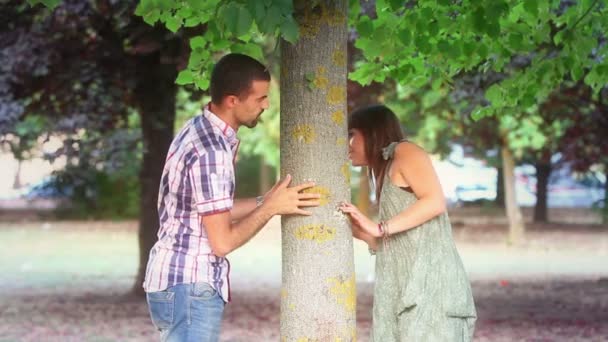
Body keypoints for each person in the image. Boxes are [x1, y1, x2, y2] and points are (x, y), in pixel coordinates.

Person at [143, 53, 320, 342]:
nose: (266, 105)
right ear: (232, 100)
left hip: (175, 282)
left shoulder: (196, 129)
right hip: (190, 286)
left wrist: (266, 199)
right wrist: (270, 210)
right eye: (260, 98)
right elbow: (222, 243)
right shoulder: (212, 152)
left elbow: (206, 209)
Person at [339, 105, 477, 341]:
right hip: (401, 293)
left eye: (351, 134)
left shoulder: (405, 151)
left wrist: (380, 228)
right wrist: (367, 236)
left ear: (372, 132)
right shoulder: (382, 169)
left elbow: (434, 202)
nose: (346, 144)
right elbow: (406, 239)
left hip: (431, 292)